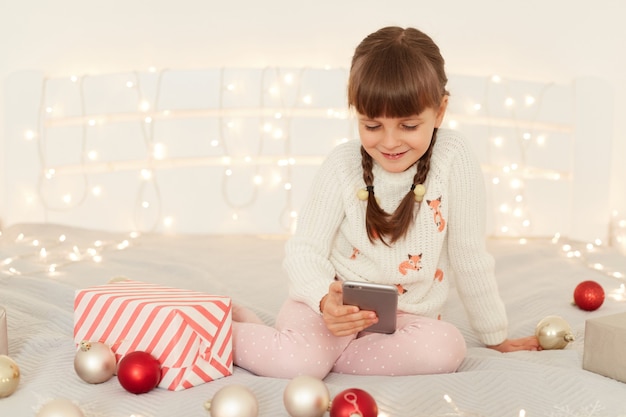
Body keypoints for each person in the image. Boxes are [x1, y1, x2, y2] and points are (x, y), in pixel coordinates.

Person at [232, 25, 540, 380]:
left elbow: (470, 257)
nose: (390, 142)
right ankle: (234, 331)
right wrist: (323, 301)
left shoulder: (454, 159)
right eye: (372, 125)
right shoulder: (341, 165)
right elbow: (304, 251)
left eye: (408, 125)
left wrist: (494, 337)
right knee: (297, 364)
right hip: (331, 307)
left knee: (446, 348)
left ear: (439, 112)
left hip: (405, 319)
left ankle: (298, 352)